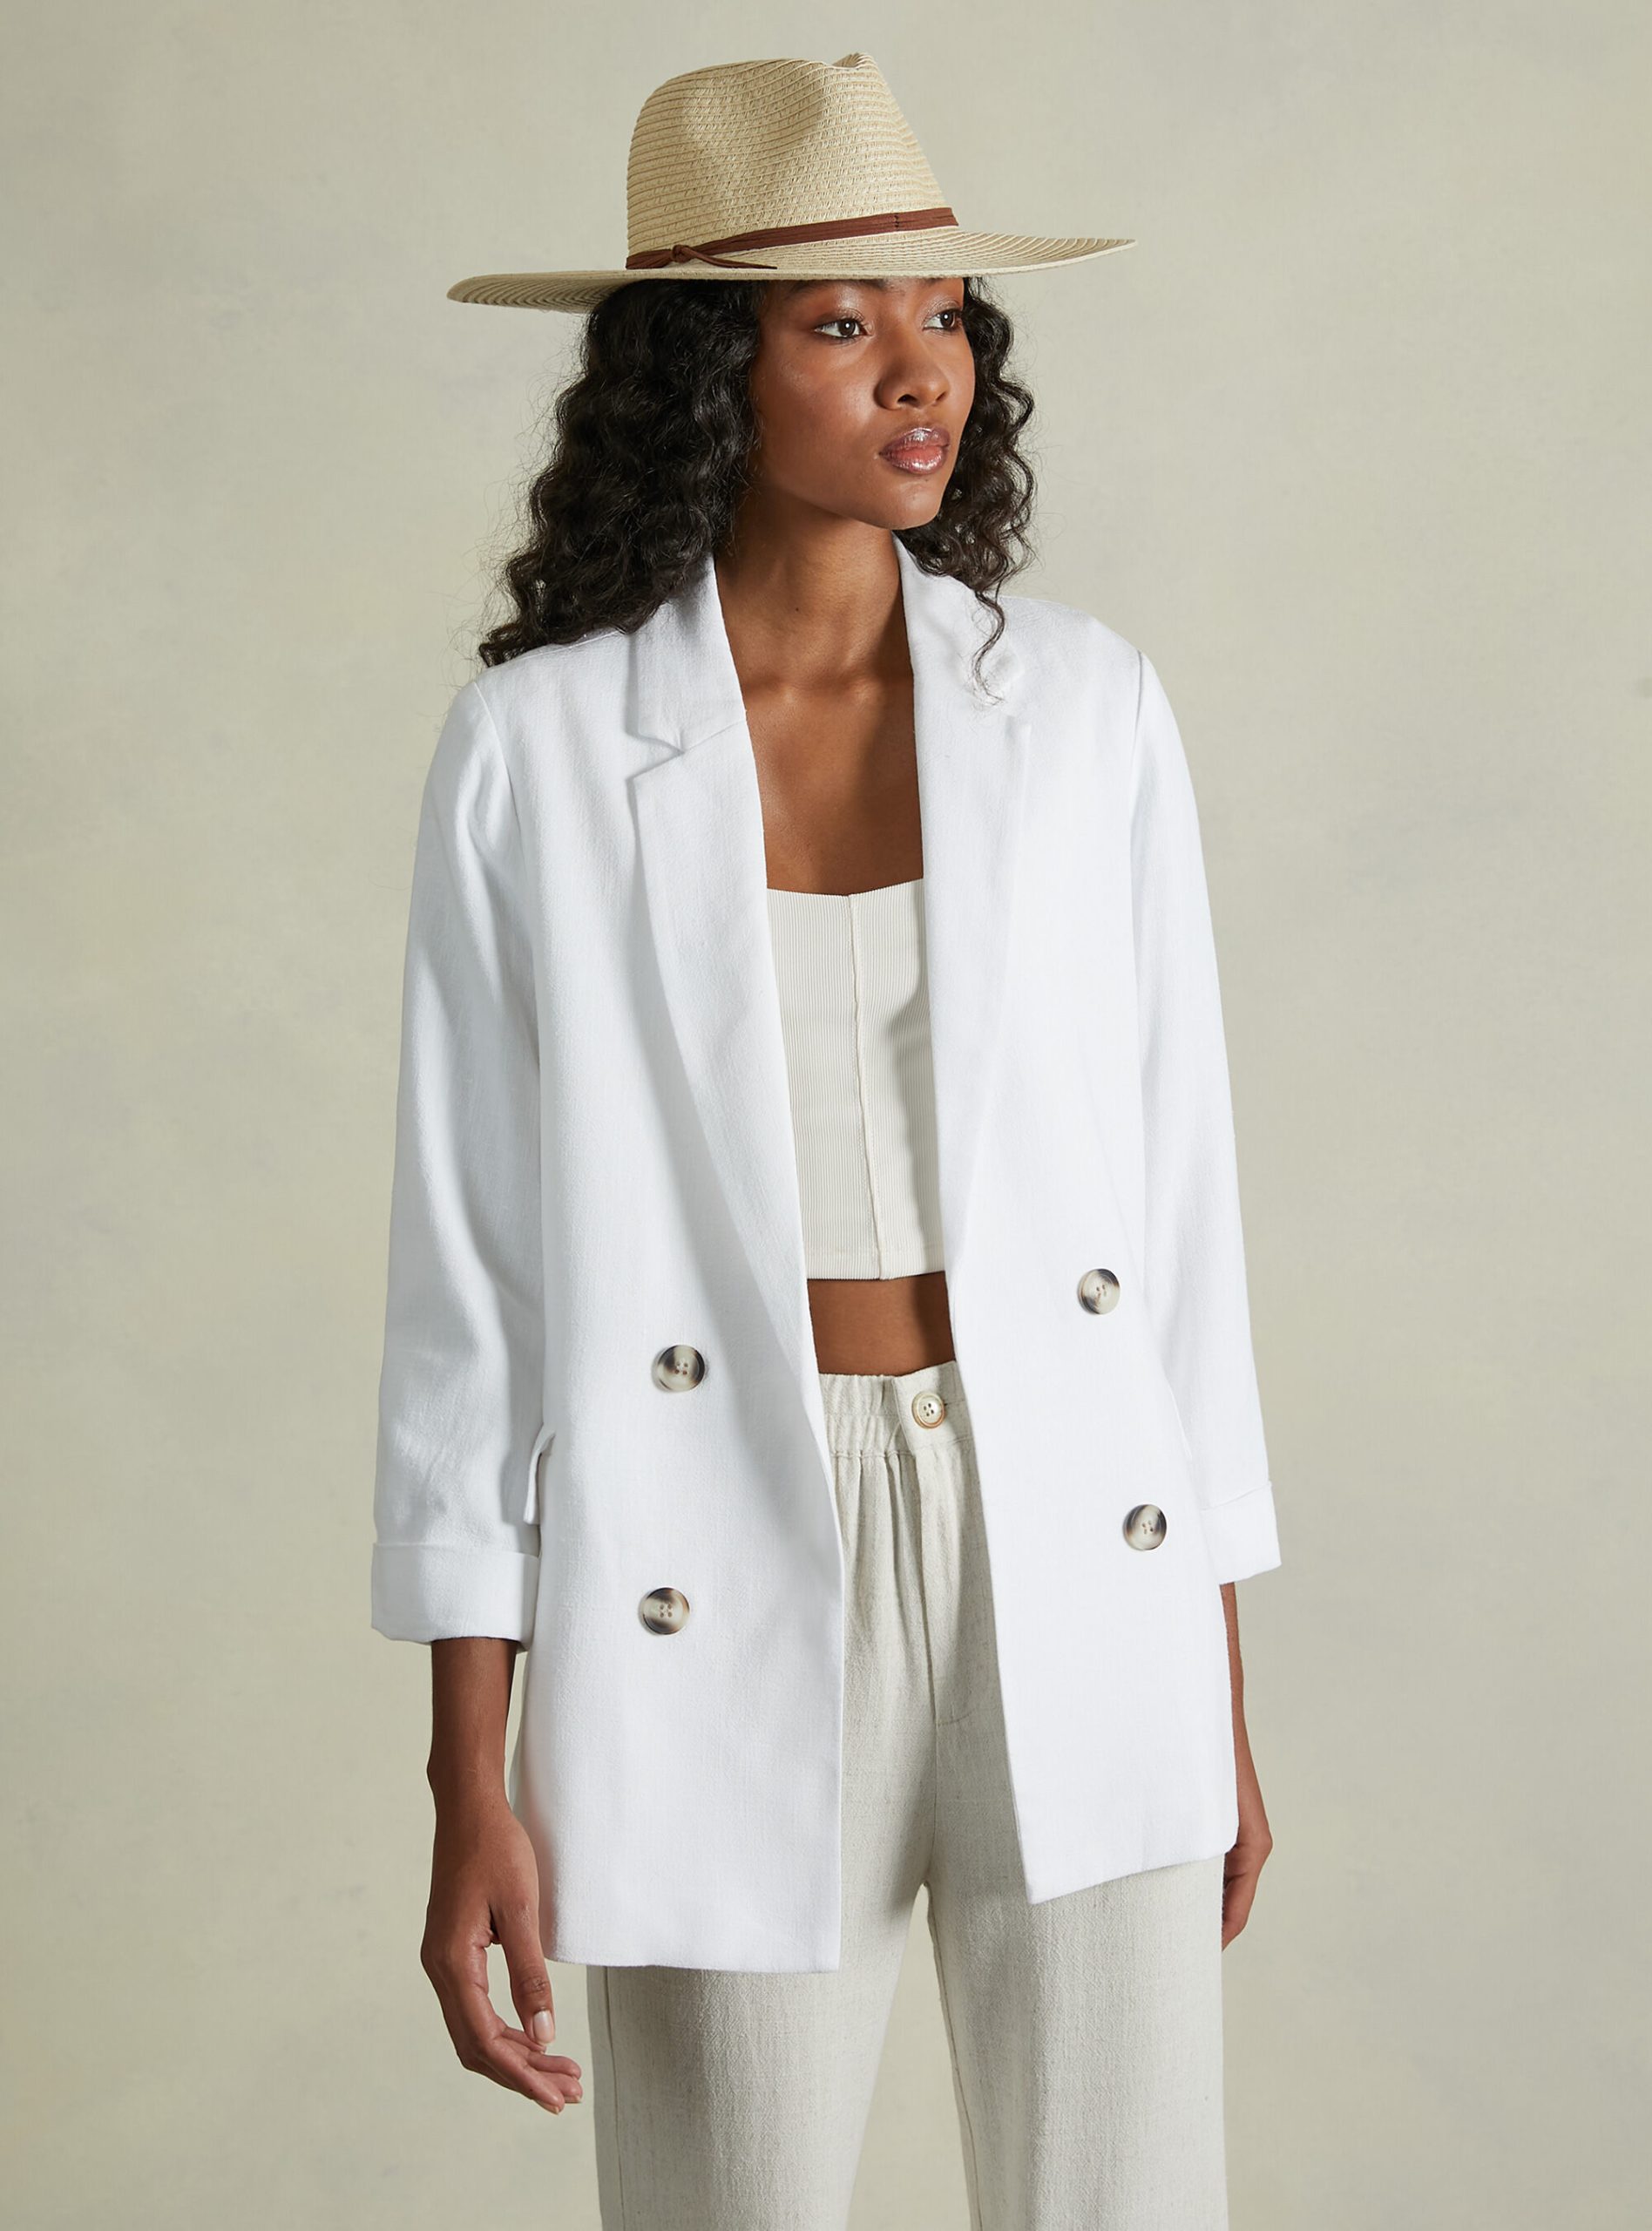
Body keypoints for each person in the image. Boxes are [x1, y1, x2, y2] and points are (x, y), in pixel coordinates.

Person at [371, 51, 1281, 2231]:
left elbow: (1179, 1218)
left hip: (1075, 1539)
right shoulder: (538, 750)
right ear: (708, 368)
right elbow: (473, 1282)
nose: (922, 369)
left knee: (1126, 2201)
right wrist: (468, 1770)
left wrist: (1216, 1682)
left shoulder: (1086, 711)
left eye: (944, 312)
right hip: (704, 1540)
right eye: (843, 320)